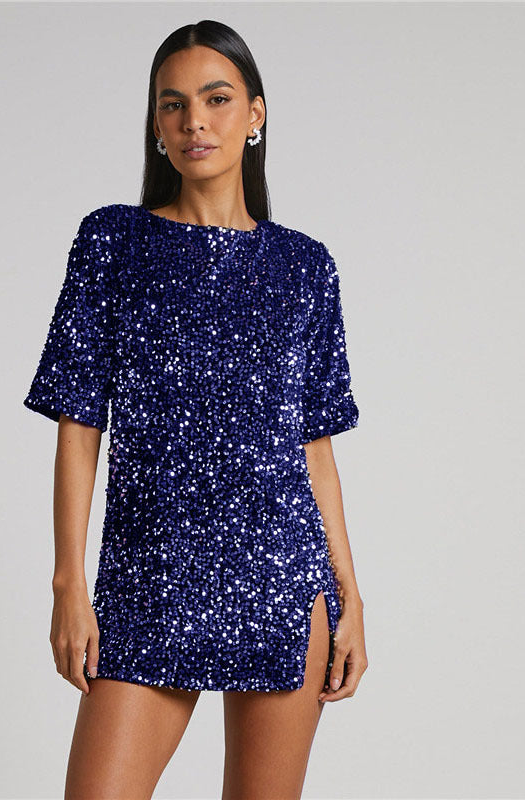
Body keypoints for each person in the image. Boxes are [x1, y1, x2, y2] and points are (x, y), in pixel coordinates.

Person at [23, 19, 368, 800]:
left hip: (283, 581)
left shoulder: (305, 267)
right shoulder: (112, 243)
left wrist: (350, 597)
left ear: (255, 114)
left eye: (216, 100)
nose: (194, 122)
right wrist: (69, 584)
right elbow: (79, 422)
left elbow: (314, 448)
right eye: (172, 105)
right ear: (156, 125)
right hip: (149, 579)